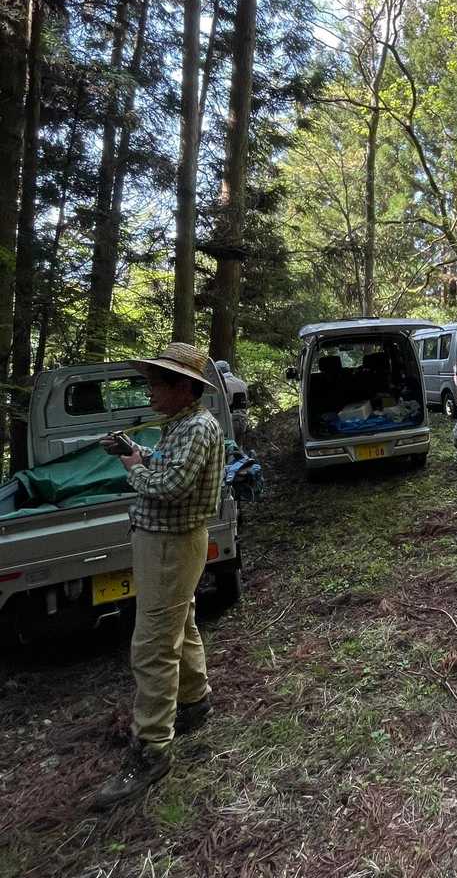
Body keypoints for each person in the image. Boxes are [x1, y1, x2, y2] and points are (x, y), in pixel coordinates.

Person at [92, 342, 226, 809]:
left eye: (156, 383)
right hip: (167, 542)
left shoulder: (198, 427)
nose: (149, 391)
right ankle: (194, 700)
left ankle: (151, 748)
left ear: (184, 387)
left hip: (171, 542)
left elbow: (170, 486)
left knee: (152, 644)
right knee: (179, 622)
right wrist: (135, 451)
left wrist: (132, 469)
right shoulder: (182, 425)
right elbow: (169, 467)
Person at [213, 359, 249, 443]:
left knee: (227, 447)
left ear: (218, 371)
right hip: (243, 420)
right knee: (239, 447)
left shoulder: (221, 385)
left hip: (229, 422)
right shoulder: (242, 383)